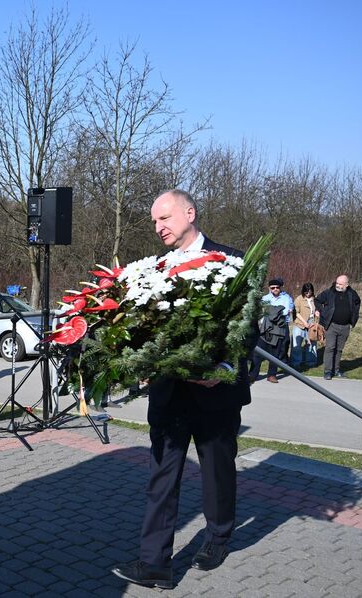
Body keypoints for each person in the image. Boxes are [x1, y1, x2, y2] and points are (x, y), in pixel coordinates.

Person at [111, 189, 252, 590]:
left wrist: (224, 368)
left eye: (165, 218)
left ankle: (219, 536)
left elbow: (248, 326)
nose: (159, 227)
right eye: (154, 221)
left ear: (190, 213)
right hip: (170, 393)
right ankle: (155, 563)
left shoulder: (233, 262)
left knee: (217, 472)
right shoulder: (153, 270)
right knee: (162, 477)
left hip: (216, 393)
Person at [315, 274, 361, 380]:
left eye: (340, 284)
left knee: (339, 349)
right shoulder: (329, 292)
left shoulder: (352, 294)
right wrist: (320, 311)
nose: (338, 285)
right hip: (331, 325)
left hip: (345, 327)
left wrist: (354, 316)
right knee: (330, 347)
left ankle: (336, 370)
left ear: (347, 284)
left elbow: (358, 303)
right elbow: (317, 300)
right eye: (337, 283)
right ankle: (327, 371)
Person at [248, 278, 294, 383]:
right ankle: (252, 375)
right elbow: (262, 312)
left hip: (279, 329)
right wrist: (277, 310)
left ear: (280, 288)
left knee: (275, 353)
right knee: (258, 353)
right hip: (265, 329)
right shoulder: (265, 298)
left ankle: (272, 375)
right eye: (273, 288)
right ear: (269, 288)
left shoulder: (287, 298)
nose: (275, 289)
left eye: (277, 287)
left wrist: (271, 310)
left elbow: (286, 311)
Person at [291, 283, 319, 370]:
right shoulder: (299, 299)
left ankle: (310, 362)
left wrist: (317, 314)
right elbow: (296, 313)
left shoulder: (315, 299)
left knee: (311, 343)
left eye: (310, 292)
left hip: (312, 324)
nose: (308, 294)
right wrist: (304, 323)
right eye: (306, 292)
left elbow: (317, 309)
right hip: (300, 323)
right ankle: (296, 362)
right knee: (296, 344)